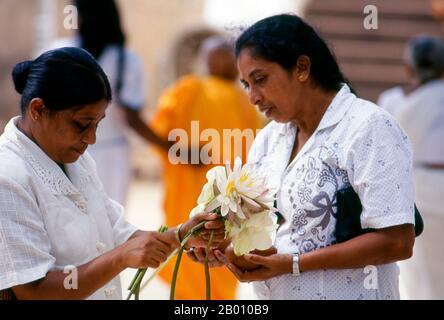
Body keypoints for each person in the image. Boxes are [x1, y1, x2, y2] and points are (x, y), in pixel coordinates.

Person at [189, 14, 416, 300]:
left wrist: (293, 264)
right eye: (246, 84)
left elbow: (396, 242)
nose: (253, 97)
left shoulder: (367, 127)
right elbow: (277, 229)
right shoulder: (270, 139)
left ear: (302, 67)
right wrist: (223, 246)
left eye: (260, 79)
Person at [0, 47, 225, 300]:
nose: (92, 138)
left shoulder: (77, 160)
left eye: (97, 124)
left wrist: (182, 235)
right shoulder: (8, 176)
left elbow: (116, 233)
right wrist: (120, 258)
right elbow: (33, 290)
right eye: (82, 124)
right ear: (38, 110)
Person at [149, 36, 264, 299]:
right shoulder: (189, 88)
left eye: (227, 56)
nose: (222, 61)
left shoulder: (244, 99)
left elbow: (252, 151)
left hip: (228, 194)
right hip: (189, 189)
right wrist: (182, 151)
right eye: (216, 55)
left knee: (220, 257)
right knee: (188, 250)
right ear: (205, 60)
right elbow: (160, 132)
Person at [47, 0, 170, 205]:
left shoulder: (58, 53)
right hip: (113, 156)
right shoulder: (126, 60)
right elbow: (132, 118)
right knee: (110, 226)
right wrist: (171, 147)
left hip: (64, 150)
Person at [378, 36, 444, 299]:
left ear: (409, 68)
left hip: (407, 190)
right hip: (427, 186)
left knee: (416, 271)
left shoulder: (391, 101)